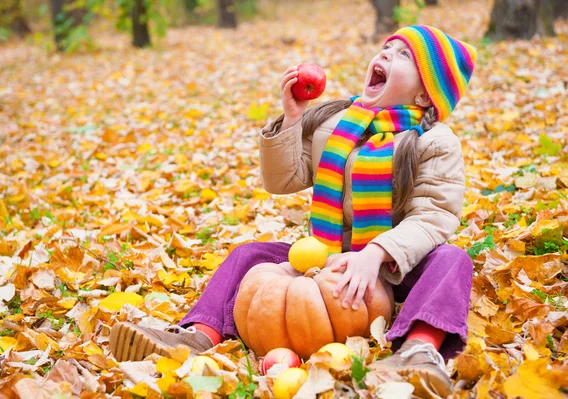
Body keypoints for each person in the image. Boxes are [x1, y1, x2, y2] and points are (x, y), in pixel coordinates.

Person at [109, 25, 476, 397]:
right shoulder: (337, 124)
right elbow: (284, 180)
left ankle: (418, 350)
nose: (385, 55)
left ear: (425, 96)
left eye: (403, 56)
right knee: (249, 254)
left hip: (396, 270)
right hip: (328, 262)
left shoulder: (434, 142)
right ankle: (198, 335)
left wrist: (376, 254)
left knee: (452, 260)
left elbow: (434, 216)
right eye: (387, 48)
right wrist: (292, 119)